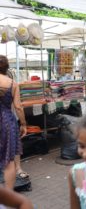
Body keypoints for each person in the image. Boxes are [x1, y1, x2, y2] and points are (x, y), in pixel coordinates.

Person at [0, 55, 27, 189]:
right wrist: (23, 124)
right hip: (6, 122)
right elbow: (18, 107)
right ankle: (8, 196)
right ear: (7, 68)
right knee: (9, 161)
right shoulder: (12, 84)